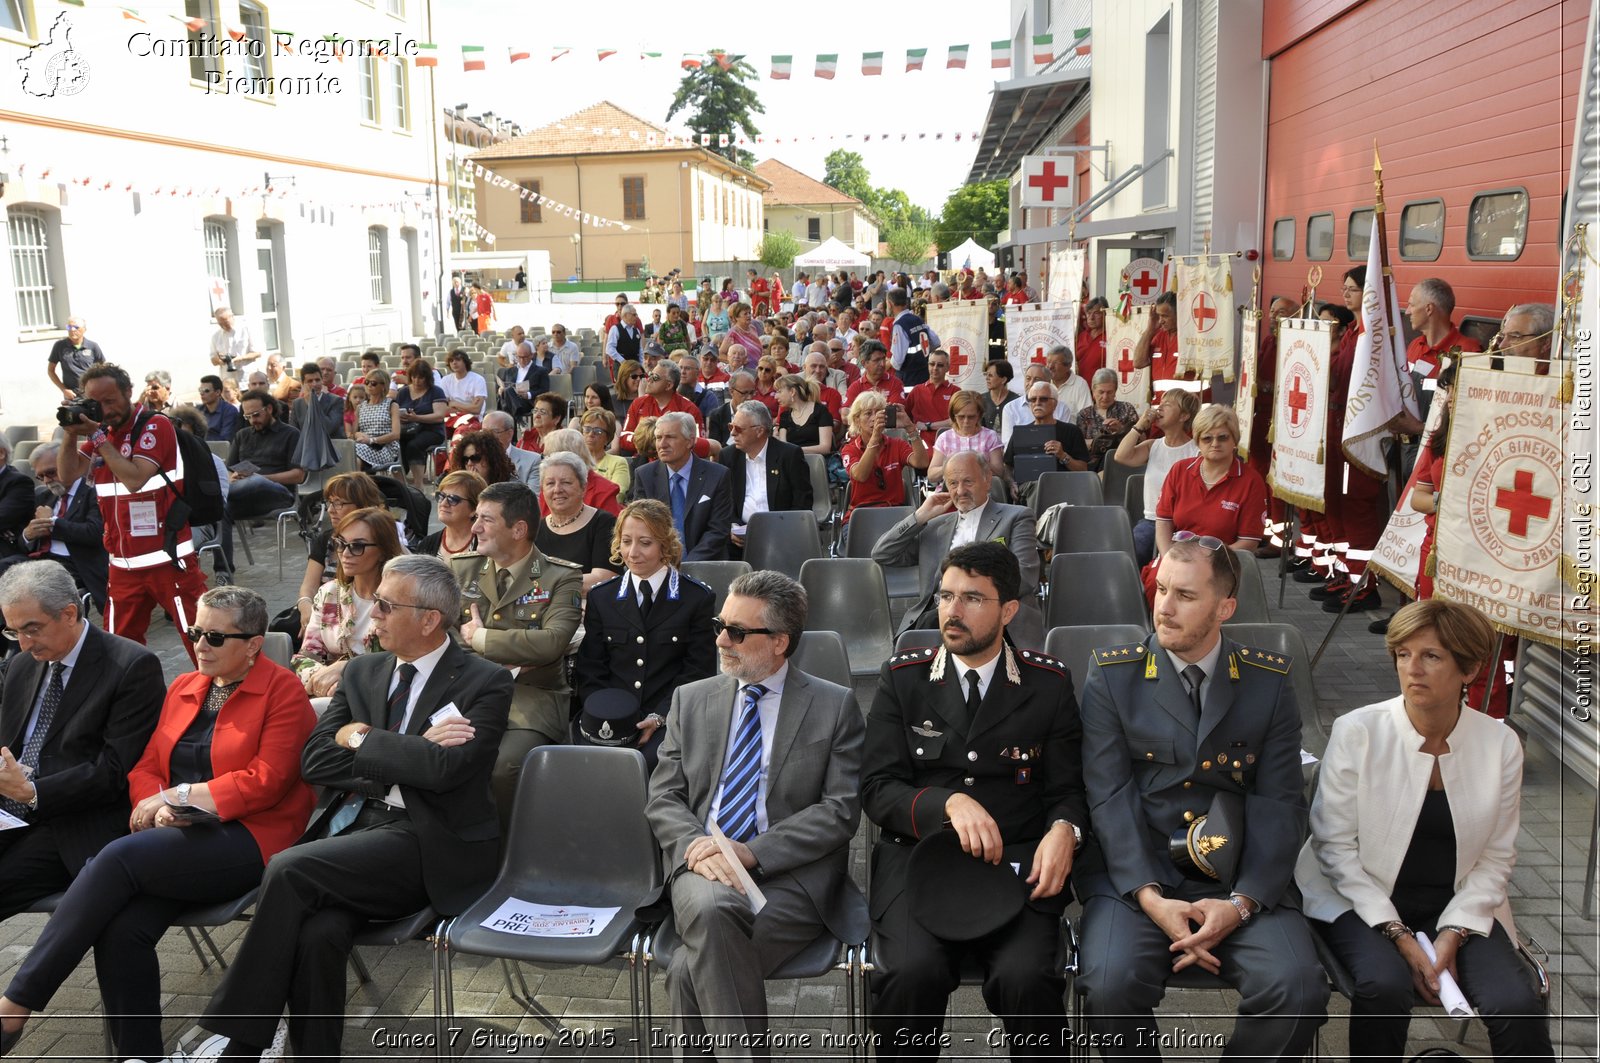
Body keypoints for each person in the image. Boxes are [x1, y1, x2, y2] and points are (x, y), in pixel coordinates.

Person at [196, 557, 512, 1062]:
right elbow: (315, 759)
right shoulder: (365, 669)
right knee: (320, 932)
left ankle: (241, 1041)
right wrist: (401, 749)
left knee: (289, 867)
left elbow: (446, 772)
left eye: (385, 605)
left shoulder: (485, 680)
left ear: (429, 619)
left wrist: (360, 736)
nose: (373, 614)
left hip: (427, 842)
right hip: (354, 830)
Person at [0, 586, 315, 1063]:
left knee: (117, 856)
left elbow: (265, 783)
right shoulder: (186, 687)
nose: (200, 645)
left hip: (251, 838)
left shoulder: (283, 690)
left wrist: (178, 796)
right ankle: (138, 1055)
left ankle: (15, 1003)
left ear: (254, 643)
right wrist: (156, 802)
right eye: (194, 632)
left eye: (215, 636)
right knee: (122, 927)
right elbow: (145, 765)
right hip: (178, 837)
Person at [1075, 537, 1328, 1059]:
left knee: (1299, 990)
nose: (1163, 607)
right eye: (1161, 589)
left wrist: (1242, 903)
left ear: (1225, 607)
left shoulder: (1267, 681)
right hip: (1138, 879)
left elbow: (1281, 804)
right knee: (1107, 984)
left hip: (1238, 881)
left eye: (1185, 596)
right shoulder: (1113, 676)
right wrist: (1150, 898)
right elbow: (1108, 798)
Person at [1295, 598, 1554, 1063]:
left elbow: (1497, 856)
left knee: (1516, 1003)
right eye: (1402, 654)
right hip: (1359, 897)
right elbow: (1333, 848)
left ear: (1470, 669)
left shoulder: (1500, 745)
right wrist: (1395, 933)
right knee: (1384, 986)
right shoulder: (1359, 731)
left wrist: (1454, 931)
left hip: (1456, 902)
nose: (1412, 668)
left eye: (1431, 656)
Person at [862, 542, 1084, 1057]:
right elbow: (876, 788)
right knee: (909, 976)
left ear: (1008, 610)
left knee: (1028, 979)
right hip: (919, 858)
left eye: (972, 599)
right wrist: (946, 804)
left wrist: (1064, 831)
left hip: (1016, 860)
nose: (952, 611)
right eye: (945, 595)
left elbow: (1069, 789)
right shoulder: (904, 678)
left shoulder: (1047, 684)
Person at [645, 568, 864, 1048]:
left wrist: (751, 852)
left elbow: (841, 811)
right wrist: (699, 848)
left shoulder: (834, 705)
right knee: (712, 906)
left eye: (738, 632)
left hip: (793, 879)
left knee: (688, 970)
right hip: (700, 865)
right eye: (720, 625)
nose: (722, 639)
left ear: (780, 642)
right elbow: (664, 796)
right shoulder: (690, 699)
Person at [0, 562, 163, 924]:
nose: (23, 644)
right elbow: (8, 740)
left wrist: (32, 792)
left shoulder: (131, 666)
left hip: (75, 821)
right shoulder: (23, 664)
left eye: (31, 629)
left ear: (69, 613)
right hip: (12, 807)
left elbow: (114, 773)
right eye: (13, 633)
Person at [57, 363, 209, 661]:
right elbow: (65, 475)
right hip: (122, 566)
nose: (104, 409)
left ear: (129, 392)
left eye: (110, 400)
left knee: (202, 641)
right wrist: (70, 431)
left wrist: (98, 437)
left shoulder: (155, 425)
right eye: (95, 403)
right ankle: (131, 704)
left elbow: (135, 477)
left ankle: (221, 701)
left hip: (168, 559)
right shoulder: (103, 433)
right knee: (117, 653)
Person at [448, 482, 581, 818]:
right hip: (466, 694)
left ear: (518, 529)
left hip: (530, 700)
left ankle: (501, 854)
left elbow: (551, 643)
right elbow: (441, 634)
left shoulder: (560, 577)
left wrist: (480, 640)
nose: (474, 526)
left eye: (486, 520)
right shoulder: (462, 569)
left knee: (502, 767)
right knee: (438, 754)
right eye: (476, 517)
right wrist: (515, 653)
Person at [575, 500, 715, 763]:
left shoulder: (696, 598)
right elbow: (591, 667)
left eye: (645, 543)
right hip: (611, 717)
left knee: (654, 762)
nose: (633, 552)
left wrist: (659, 717)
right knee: (591, 763)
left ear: (665, 544)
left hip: (669, 718)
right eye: (626, 541)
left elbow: (698, 671)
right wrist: (608, 714)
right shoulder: (602, 597)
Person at [872, 450, 1044, 649]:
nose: (960, 491)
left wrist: (972, 600)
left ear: (988, 480)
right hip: (940, 620)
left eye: (968, 482)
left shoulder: (1016, 517)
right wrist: (919, 516)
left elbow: (1025, 577)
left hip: (995, 618)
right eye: (953, 483)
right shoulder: (936, 526)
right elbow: (882, 553)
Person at [1144, 405, 1267, 602]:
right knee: (1158, 587)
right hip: (1178, 555)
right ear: (1198, 442)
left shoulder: (1251, 482)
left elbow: (1249, 542)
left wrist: (1206, 563)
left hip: (1223, 562)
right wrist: (1168, 557)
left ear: (1234, 440)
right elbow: (1164, 522)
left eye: (1223, 437)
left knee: (1200, 595)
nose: (1215, 444)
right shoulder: (1179, 471)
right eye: (1207, 438)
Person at [292, 507, 405, 697]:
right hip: (328, 692)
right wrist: (326, 682)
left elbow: (404, 661)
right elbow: (305, 657)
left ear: (383, 551)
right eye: (340, 543)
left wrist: (346, 672)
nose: (345, 553)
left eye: (357, 546)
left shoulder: (400, 601)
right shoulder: (330, 593)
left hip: (381, 694)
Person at [290, 472, 386, 637]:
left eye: (338, 503)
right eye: (329, 502)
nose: (330, 510)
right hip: (325, 609)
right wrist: (306, 606)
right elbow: (309, 585)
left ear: (362, 505)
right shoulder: (326, 539)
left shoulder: (382, 537)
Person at [1112, 389, 1201, 566]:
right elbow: (1121, 456)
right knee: (1130, 554)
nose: (1159, 408)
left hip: (1184, 524)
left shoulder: (1196, 450)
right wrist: (1139, 426)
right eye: (1160, 403)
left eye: (1167, 405)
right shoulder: (1153, 445)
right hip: (1152, 521)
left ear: (1183, 416)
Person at [15, 444, 108, 613]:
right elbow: (23, 542)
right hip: (42, 560)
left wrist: (52, 523)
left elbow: (94, 533)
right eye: (40, 476)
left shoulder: (92, 491)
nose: (47, 480)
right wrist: (28, 534)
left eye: (51, 472)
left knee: (40, 589)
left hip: (78, 563)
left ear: (69, 463)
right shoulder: (44, 496)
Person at [631, 412, 734, 562]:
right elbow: (641, 526)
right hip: (658, 563)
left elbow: (718, 530)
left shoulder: (717, 475)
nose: (662, 444)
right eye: (659, 438)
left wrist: (688, 565)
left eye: (670, 437)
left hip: (705, 564)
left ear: (690, 441)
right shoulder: (645, 475)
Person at [721, 401, 813, 557]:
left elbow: (802, 501)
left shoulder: (789, 455)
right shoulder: (728, 456)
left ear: (759, 431)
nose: (732, 434)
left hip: (782, 534)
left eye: (738, 429)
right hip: (740, 538)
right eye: (731, 427)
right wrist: (732, 527)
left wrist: (778, 530)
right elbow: (724, 502)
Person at [534, 451, 620, 592]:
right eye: (550, 483)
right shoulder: (536, 529)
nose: (557, 490)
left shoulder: (604, 523)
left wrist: (547, 583)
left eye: (566, 482)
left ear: (583, 488)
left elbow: (603, 578)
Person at [840, 390, 930, 525]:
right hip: (862, 515)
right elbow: (860, 475)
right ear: (857, 420)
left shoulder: (897, 444)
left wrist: (910, 427)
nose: (874, 418)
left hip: (894, 513)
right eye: (868, 413)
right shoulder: (850, 449)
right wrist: (875, 438)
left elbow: (922, 462)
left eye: (878, 412)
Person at [227, 389, 306, 522]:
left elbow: (299, 476)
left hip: (278, 495)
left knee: (255, 482)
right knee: (217, 507)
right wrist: (233, 477)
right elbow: (229, 470)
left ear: (269, 409)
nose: (253, 420)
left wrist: (262, 478)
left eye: (256, 415)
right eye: (248, 417)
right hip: (246, 495)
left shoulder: (291, 434)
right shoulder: (242, 435)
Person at [1003, 380, 1091, 481]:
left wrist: (1063, 456)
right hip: (1029, 487)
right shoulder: (1020, 433)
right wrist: (1011, 484)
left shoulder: (1072, 431)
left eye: (1043, 399)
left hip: (1063, 486)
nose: (1037, 403)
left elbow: (1083, 470)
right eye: (1033, 399)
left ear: (1055, 404)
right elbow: (1008, 466)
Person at [1132, 290, 1209, 402]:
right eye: (1158, 316)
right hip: (1161, 407)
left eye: (1165, 316)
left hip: (1188, 408)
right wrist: (1150, 330)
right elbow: (1138, 362)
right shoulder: (1158, 336)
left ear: (1179, 314)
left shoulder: (1193, 338)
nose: (1161, 321)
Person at [1405, 277, 1482, 379]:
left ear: (1429, 309)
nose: (1407, 311)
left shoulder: (1469, 353)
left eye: (1411, 305)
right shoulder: (1414, 345)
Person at [541, 428, 623, 516]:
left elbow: (612, 527)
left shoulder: (604, 490)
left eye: (547, 456)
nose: (545, 461)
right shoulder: (548, 487)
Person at [928, 390, 1004, 484]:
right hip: (950, 492)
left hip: (983, 491)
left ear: (979, 415)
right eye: (961, 417)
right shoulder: (945, 438)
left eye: (971, 417)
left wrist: (978, 462)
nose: (966, 421)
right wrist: (950, 465)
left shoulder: (990, 437)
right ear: (953, 416)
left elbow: (1000, 472)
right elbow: (931, 476)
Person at [395, 357, 449, 489]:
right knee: (395, 445)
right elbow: (395, 411)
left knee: (414, 445)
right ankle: (402, 485)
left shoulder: (436, 391)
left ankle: (418, 485)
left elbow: (439, 416)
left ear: (427, 377)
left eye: (421, 378)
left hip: (432, 430)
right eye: (414, 377)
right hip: (407, 429)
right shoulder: (403, 392)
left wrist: (416, 418)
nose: (417, 381)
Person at [1076, 368, 1140, 471]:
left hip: (1123, 463)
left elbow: (1142, 439)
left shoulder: (1126, 408)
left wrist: (1122, 429)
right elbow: (1079, 445)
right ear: (1093, 390)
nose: (1105, 397)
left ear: (1115, 391)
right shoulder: (1084, 414)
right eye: (1101, 392)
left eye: (1110, 392)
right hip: (1094, 467)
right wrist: (1100, 441)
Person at [624, 358, 706, 438]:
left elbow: (698, 443)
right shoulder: (638, 403)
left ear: (669, 385)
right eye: (650, 375)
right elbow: (624, 436)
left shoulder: (689, 410)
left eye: (655, 377)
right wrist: (650, 441)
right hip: (642, 452)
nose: (649, 379)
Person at [418, 470, 485, 559]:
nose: (443, 503)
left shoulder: (486, 546)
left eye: (453, 499)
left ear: (474, 509)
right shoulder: (427, 544)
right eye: (441, 496)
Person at [902, 349, 961, 448]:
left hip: (949, 444)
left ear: (948, 368)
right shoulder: (917, 390)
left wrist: (928, 426)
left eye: (940, 365)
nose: (935, 368)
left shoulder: (956, 391)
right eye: (932, 364)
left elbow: (957, 421)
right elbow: (905, 417)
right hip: (922, 445)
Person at [886, 287, 938, 388]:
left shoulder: (899, 325)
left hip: (909, 378)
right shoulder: (918, 319)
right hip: (924, 373)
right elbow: (935, 342)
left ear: (889, 304)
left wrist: (888, 364)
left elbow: (897, 361)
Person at [352, 370, 402, 472]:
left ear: (383, 386)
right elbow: (354, 432)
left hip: (384, 448)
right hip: (363, 445)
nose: (369, 385)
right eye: (367, 382)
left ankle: (357, 485)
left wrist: (372, 440)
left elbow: (396, 434)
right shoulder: (360, 407)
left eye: (373, 383)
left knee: (352, 452)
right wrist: (359, 435)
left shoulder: (391, 405)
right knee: (351, 455)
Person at [46, 316, 104, 399]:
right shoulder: (59, 346)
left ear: (84, 329)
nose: (72, 330)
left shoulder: (93, 346)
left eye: (76, 327)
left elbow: (103, 370)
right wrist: (64, 390)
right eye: (69, 327)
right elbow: (50, 370)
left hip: (92, 394)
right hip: (72, 396)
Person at [482, 410, 541, 489]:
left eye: (494, 432)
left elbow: (533, 498)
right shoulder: (473, 459)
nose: (487, 437)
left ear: (510, 433)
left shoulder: (532, 460)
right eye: (484, 432)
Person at [580, 408, 631, 496]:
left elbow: (618, 495)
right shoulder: (573, 462)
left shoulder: (618, 463)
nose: (591, 434)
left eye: (598, 431)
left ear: (607, 438)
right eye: (587, 429)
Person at [496, 338, 550, 423]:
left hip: (528, 402)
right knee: (508, 391)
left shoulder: (541, 371)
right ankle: (518, 417)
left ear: (531, 355)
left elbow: (545, 390)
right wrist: (500, 390)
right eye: (519, 357)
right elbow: (504, 385)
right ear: (516, 356)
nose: (521, 360)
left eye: (525, 357)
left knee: (508, 396)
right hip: (509, 400)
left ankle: (515, 419)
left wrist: (528, 395)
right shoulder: (509, 371)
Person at [289, 362, 345, 442]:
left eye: (317, 380)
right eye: (310, 381)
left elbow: (328, 428)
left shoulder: (336, 401)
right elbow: (294, 434)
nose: (315, 384)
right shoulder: (297, 404)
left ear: (322, 380)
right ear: (303, 384)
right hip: (305, 449)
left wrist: (312, 404)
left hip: (329, 448)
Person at [844, 341, 906, 408]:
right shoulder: (856, 387)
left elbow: (895, 412)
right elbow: (845, 412)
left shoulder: (895, 383)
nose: (882, 364)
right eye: (877, 360)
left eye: (883, 359)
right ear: (864, 363)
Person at [450, 428, 516, 487]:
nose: (469, 463)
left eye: (475, 458)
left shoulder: (511, 487)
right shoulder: (460, 489)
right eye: (465, 460)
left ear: (491, 459)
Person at [208, 307, 261, 379]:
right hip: (228, 380)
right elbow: (213, 360)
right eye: (221, 323)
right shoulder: (216, 336)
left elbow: (258, 353)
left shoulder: (246, 329)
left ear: (232, 317)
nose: (224, 326)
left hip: (247, 377)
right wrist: (221, 360)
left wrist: (240, 358)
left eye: (226, 322)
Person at [440, 349, 489, 423]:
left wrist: (453, 403)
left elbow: (476, 410)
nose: (454, 363)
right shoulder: (445, 380)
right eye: (451, 361)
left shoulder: (478, 379)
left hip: (472, 419)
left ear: (465, 362)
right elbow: (443, 408)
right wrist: (469, 407)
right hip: (451, 417)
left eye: (458, 360)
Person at [1046, 347, 1093, 421]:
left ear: (1068, 366)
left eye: (1055, 363)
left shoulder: (1080, 384)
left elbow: (1087, 417)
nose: (1050, 367)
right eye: (1048, 362)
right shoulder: (1044, 383)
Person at [199, 374, 242, 443]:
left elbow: (224, 440)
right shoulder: (198, 410)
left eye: (206, 390)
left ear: (218, 392)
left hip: (219, 451)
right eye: (200, 390)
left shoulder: (230, 411)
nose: (202, 393)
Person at [1075, 297, 1109, 379]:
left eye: (1096, 313)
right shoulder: (1081, 336)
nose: (1091, 318)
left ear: (1105, 314)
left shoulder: (1110, 336)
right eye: (1089, 313)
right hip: (1080, 387)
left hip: (1101, 387)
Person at [979, 359, 1017, 432]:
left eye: (990, 375)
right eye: (986, 374)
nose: (987, 378)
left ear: (1003, 380)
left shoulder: (1015, 401)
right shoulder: (980, 400)